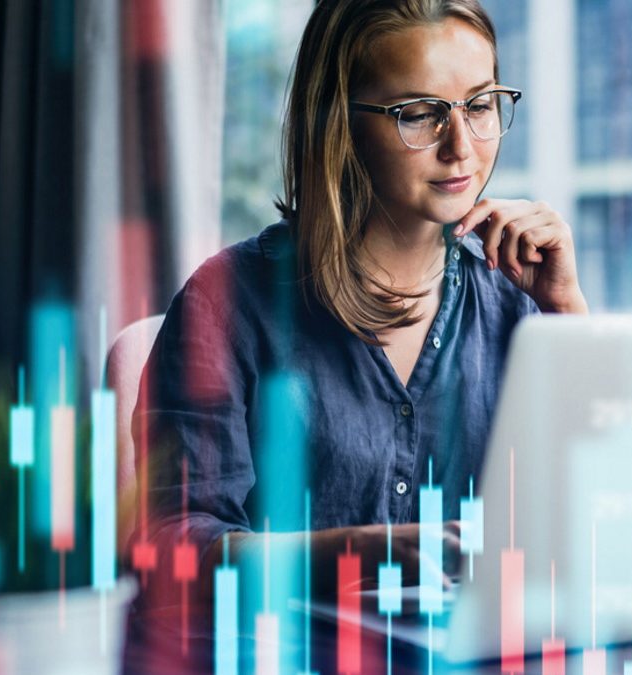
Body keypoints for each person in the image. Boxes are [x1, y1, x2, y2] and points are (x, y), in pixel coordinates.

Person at [131, 0, 586, 617]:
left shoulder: (519, 306)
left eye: (480, 106)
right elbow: (170, 551)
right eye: (420, 114)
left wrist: (567, 314)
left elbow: (601, 525)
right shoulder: (227, 304)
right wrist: (355, 554)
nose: (461, 147)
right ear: (338, 124)